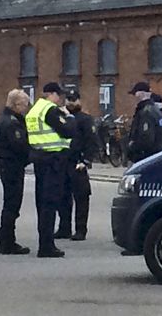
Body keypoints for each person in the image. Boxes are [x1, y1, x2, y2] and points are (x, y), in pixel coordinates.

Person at [25, 82, 76, 258]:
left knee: (42, 203)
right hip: (53, 161)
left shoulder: (34, 110)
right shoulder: (50, 110)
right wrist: (69, 117)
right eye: (58, 95)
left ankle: (44, 242)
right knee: (50, 203)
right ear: (52, 94)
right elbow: (67, 131)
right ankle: (46, 246)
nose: (60, 99)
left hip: (40, 159)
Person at [0, 89, 31, 255]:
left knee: (10, 203)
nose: (26, 107)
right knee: (12, 204)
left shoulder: (3, 119)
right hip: (12, 166)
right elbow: (20, 146)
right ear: (16, 104)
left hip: (7, 165)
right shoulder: (12, 123)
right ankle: (7, 241)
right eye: (24, 104)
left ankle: (6, 238)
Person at [56, 90, 95, 241]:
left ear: (79, 101)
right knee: (63, 197)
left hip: (78, 162)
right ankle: (64, 228)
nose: (71, 103)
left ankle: (80, 229)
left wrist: (86, 161)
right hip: (64, 162)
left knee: (81, 197)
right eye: (68, 99)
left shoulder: (85, 119)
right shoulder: (62, 118)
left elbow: (91, 141)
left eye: (74, 99)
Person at [127, 81, 162, 163]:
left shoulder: (146, 112)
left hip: (145, 157)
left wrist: (132, 147)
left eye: (134, 94)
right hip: (156, 155)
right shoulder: (156, 110)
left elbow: (146, 138)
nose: (133, 98)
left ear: (140, 94)